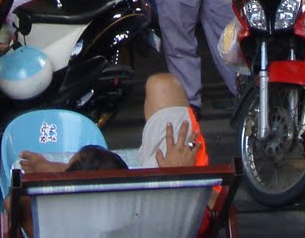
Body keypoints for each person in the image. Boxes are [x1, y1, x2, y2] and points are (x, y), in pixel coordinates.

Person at [19, 73, 205, 175]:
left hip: (165, 180)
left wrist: (59, 171)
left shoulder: (70, 224)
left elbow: (11, 204)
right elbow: (213, 207)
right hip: (175, 187)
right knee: (164, 85)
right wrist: (181, 177)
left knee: (161, 85)